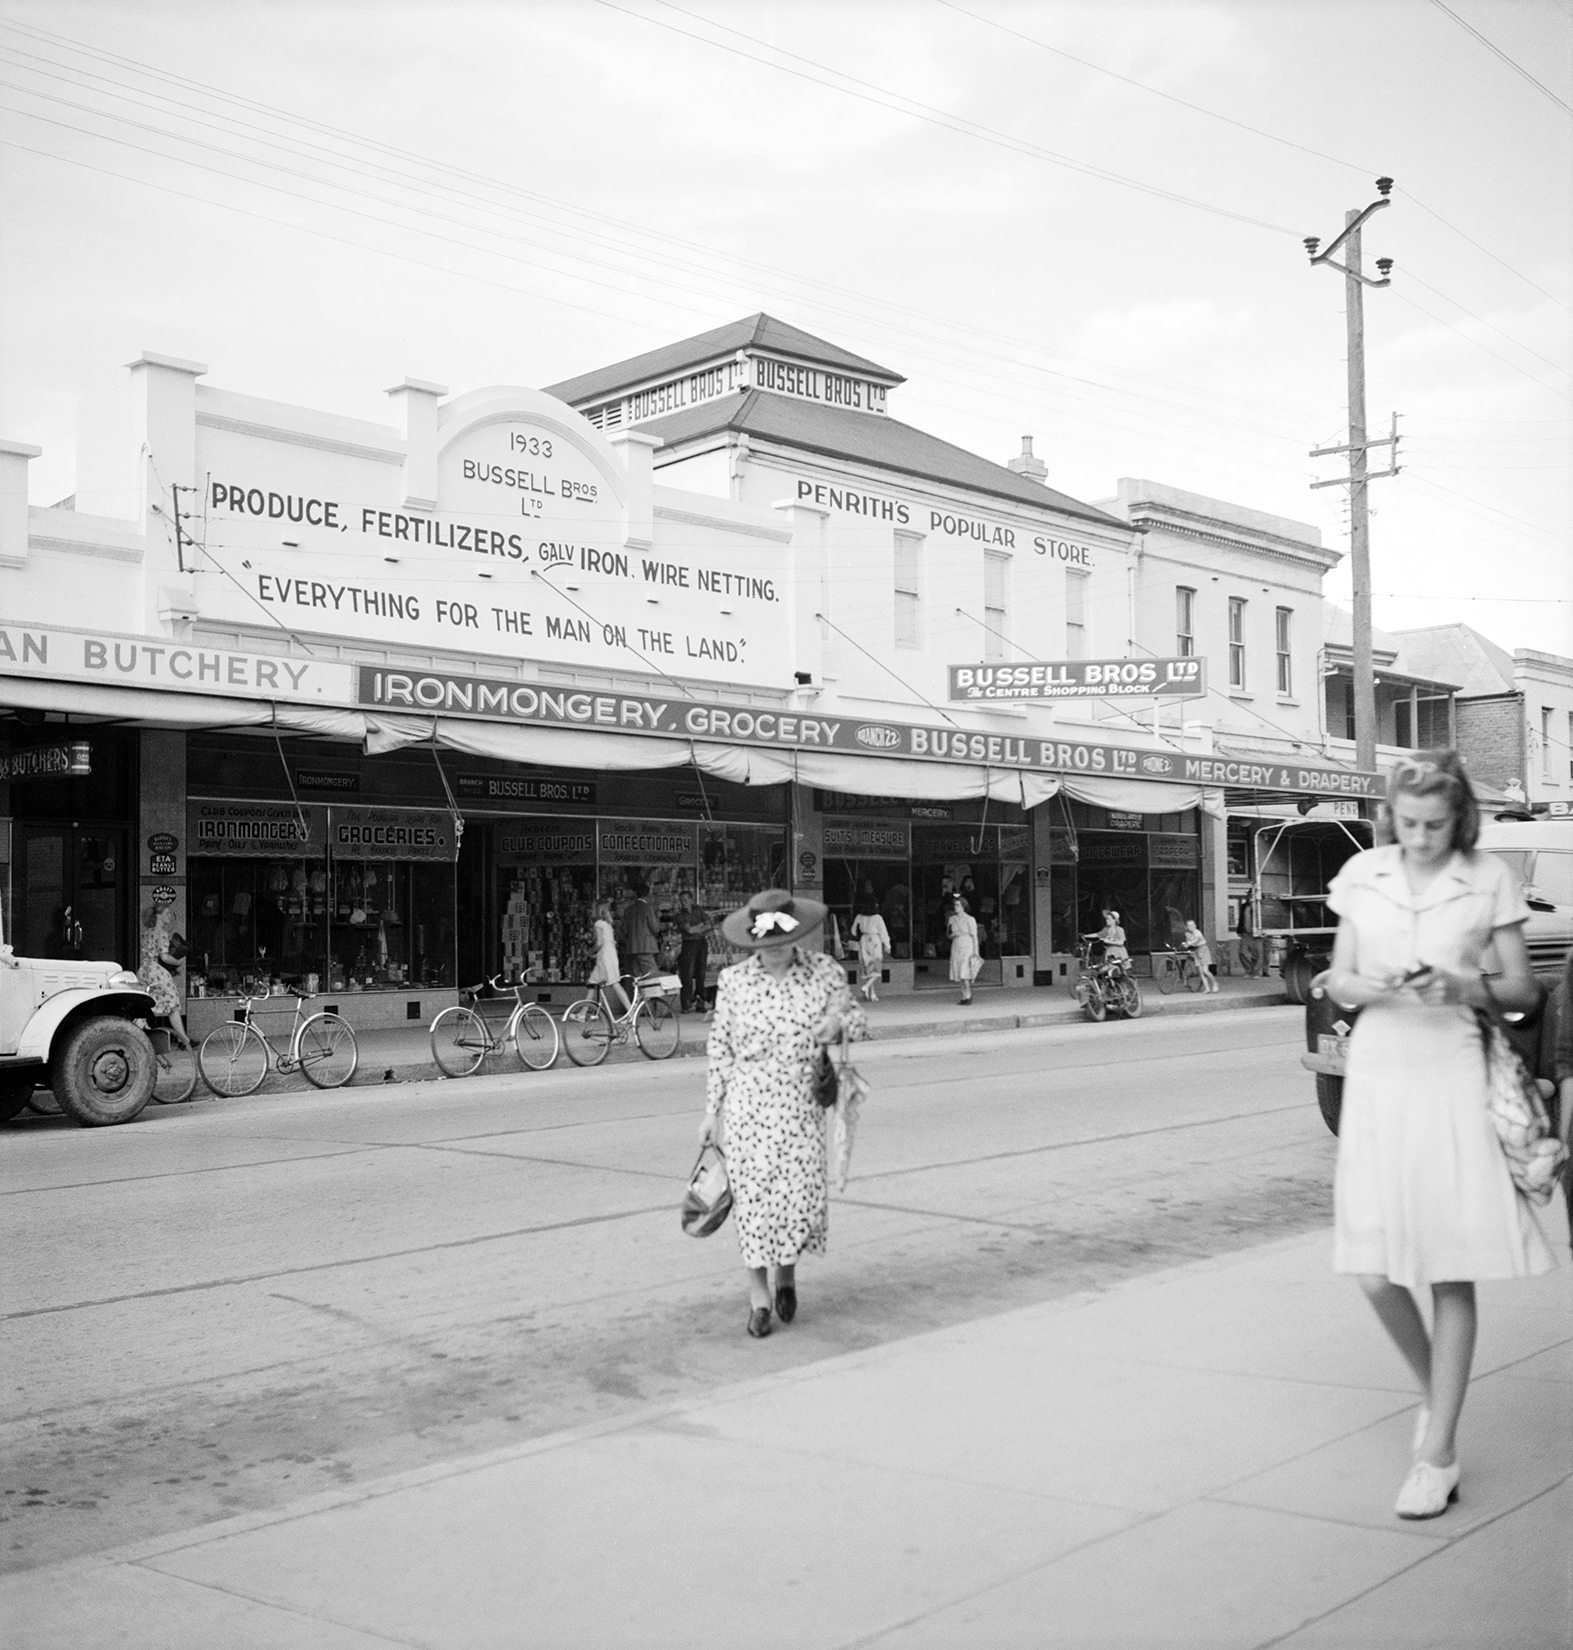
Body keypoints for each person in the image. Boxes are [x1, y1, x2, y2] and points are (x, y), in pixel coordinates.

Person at [1324, 751, 1554, 1521]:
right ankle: (1438, 1400)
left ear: (1459, 819)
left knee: (1448, 1269)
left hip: (1452, 1074)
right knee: (1373, 1271)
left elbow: (1522, 991)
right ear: (1391, 816)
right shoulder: (1364, 877)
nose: (1420, 838)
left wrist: (1464, 985)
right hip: (1380, 1075)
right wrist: (1370, 984)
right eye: (1407, 823)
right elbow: (1340, 976)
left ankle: (1438, 1452)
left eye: (1435, 824)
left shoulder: (1488, 876)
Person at [698, 889, 866, 1339]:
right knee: (753, 1204)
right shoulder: (734, 982)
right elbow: (721, 1050)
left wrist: (838, 1025)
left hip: (801, 1106)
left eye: (780, 937)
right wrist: (711, 1111)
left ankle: (786, 1273)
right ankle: (758, 1297)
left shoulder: (824, 972)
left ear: (797, 933)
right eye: (764, 939)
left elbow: (857, 1017)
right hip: (749, 1107)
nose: (772, 947)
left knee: (795, 1199)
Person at [137, 903, 190, 1048]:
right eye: (167, 914)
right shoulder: (161, 933)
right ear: (158, 916)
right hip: (156, 971)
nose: (169, 917)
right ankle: (183, 1040)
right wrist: (178, 962)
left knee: (147, 1001)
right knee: (173, 1003)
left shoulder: (146, 933)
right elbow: (165, 957)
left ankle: (139, 1032)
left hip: (143, 970)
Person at [586, 900, 628, 1014]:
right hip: (610, 954)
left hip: (605, 957)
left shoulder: (598, 923)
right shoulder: (608, 924)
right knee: (593, 982)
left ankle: (631, 1013)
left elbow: (599, 943)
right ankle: (582, 1013)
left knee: (615, 983)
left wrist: (590, 951)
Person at [675, 890, 711, 1015]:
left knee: (701, 974)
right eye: (681, 900)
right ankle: (686, 1004)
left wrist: (697, 928)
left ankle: (700, 1003)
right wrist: (699, 927)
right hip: (689, 944)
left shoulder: (698, 909)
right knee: (687, 974)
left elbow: (708, 925)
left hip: (701, 943)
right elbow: (689, 930)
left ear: (691, 899)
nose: (683, 903)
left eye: (685, 900)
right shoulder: (680, 914)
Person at [849, 897, 891, 1002]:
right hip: (874, 940)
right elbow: (883, 932)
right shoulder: (877, 918)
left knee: (868, 967)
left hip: (864, 940)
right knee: (876, 966)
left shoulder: (859, 917)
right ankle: (866, 986)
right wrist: (887, 945)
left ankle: (872, 993)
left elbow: (853, 931)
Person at [621, 882, 661, 983]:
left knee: (637, 978)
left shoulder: (629, 910)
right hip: (646, 947)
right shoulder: (648, 908)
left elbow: (625, 930)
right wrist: (658, 917)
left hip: (632, 948)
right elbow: (655, 929)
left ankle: (639, 998)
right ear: (647, 894)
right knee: (652, 977)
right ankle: (653, 998)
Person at [947, 894, 980, 1005]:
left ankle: (968, 995)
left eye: (957, 905)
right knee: (958, 972)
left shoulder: (970, 919)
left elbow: (974, 936)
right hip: (956, 945)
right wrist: (954, 934)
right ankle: (964, 996)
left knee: (965, 972)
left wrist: (976, 951)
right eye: (954, 905)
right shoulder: (952, 919)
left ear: (963, 906)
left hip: (967, 946)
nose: (955, 907)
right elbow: (948, 935)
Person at [1182, 919, 1219, 993]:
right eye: (1189, 926)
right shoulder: (1188, 934)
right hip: (1196, 952)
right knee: (1201, 972)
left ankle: (1215, 983)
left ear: (1195, 926)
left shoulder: (1197, 932)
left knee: (1205, 970)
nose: (1191, 927)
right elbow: (1189, 943)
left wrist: (1190, 943)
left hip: (1203, 950)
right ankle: (1207, 988)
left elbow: (1197, 939)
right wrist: (1186, 944)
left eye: (1192, 925)